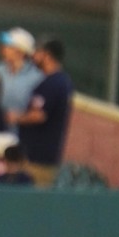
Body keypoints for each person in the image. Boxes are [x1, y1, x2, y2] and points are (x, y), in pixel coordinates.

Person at [9, 37, 74, 188]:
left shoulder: (55, 83)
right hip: (32, 156)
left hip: (40, 160)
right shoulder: (51, 81)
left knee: (34, 197)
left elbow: (39, 115)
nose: (34, 56)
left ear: (47, 55)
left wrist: (16, 117)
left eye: (37, 52)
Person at [0, 27, 44, 127]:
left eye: (8, 45)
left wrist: (19, 117)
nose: (2, 47)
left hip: (20, 133)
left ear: (20, 51)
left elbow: (39, 112)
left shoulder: (37, 78)